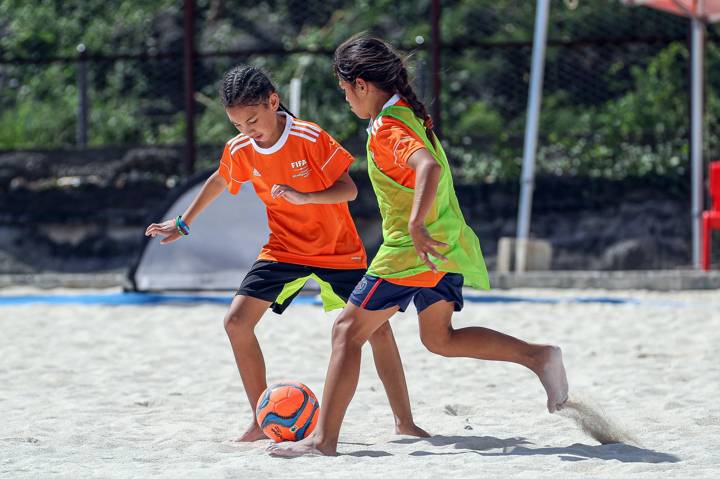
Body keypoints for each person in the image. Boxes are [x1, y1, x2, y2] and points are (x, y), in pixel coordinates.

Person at [270, 36, 569, 457]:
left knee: (346, 330)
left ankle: (323, 440)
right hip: (443, 241)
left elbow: (425, 166)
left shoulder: (389, 126)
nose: (345, 101)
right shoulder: (405, 113)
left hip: (416, 247)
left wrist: (413, 223)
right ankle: (539, 356)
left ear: (361, 85)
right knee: (440, 339)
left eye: (343, 91)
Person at [145, 65, 427, 442]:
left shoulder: (309, 137)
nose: (248, 131)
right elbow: (221, 178)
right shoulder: (241, 148)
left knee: (378, 330)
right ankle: (260, 421)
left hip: (338, 252)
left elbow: (349, 190)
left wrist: (306, 197)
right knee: (236, 323)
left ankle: (403, 422)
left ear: (273, 102)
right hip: (284, 249)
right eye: (238, 125)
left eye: (253, 120)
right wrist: (182, 223)